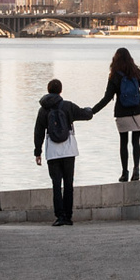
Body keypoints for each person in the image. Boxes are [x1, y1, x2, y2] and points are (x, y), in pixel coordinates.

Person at [92, 48, 140, 182]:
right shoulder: (136, 72)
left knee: (123, 143)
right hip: (139, 111)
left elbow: (107, 98)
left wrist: (92, 111)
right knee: (136, 142)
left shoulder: (114, 75)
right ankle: (136, 169)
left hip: (122, 113)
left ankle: (124, 173)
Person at [34, 78, 94, 226]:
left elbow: (38, 132)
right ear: (60, 90)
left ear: (48, 91)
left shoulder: (43, 110)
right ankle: (68, 216)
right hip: (69, 150)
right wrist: (90, 110)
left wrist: (37, 152)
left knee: (56, 184)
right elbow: (85, 115)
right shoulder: (67, 106)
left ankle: (59, 216)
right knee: (68, 184)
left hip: (52, 151)